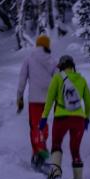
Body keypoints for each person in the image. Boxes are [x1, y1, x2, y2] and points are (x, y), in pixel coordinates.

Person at [40, 55, 90, 179]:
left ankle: (55, 176)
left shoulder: (57, 78)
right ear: (72, 65)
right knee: (75, 150)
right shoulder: (81, 79)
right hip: (78, 120)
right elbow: (89, 102)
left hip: (61, 118)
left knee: (56, 144)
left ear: (61, 67)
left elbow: (50, 99)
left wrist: (44, 117)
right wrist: (87, 118)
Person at [15, 33, 58, 168]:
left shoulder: (29, 59)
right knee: (43, 125)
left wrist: (20, 96)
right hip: (48, 100)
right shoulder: (53, 61)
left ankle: (39, 153)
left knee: (34, 126)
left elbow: (22, 79)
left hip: (34, 99)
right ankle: (40, 150)